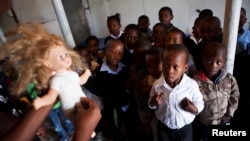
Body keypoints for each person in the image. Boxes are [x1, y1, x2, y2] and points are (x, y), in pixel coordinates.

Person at [148, 44, 204, 141]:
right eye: (165, 65)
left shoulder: (191, 85)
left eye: (175, 67)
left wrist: (194, 109)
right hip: (164, 127)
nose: (169, 71)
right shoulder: (157, 85)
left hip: (184, 129)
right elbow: (151, 102)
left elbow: (200, 103)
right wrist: (153, 103)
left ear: (185, 68)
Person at [92, 39, 140, 140]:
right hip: (114, 109)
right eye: (112, 52)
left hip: (128, 106)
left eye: (119, 53)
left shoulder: (125, 69)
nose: (116, 56)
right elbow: (102, 91)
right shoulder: (99, 72)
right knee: (117, 131)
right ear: (105, 51)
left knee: (131, 128)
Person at [192, 42, 240, 141]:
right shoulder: (195, 81)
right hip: (204, 123)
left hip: (224, 120)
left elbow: (234, 97)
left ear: (224, 62)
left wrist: (229, 115)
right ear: (203, 59)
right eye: (208, 61)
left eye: (218, 62)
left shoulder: (229, 79)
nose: (213, 66)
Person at [141, 47, 163, 141]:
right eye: (148, 66)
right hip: (154, 116)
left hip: (166, 115)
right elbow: (143, 94)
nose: (151, 69)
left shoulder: (168, 78)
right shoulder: (148, 79)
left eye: (155, 65)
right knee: (156, 134)